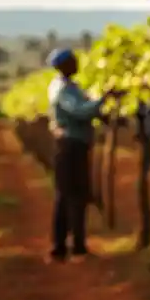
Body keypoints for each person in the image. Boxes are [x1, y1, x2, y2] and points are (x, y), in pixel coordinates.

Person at [45, 48, 109, 263]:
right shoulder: (62, 89)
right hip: (69, 146)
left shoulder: (70, 87)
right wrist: (104, 98)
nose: (77, 64)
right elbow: (80, 111)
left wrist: (101, 109)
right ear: (63, 65)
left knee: (76, 195)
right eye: (73, 61)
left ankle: (74, 246)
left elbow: (87, 108)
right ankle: (63, 248)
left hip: (75, 145)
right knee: (70, 196)